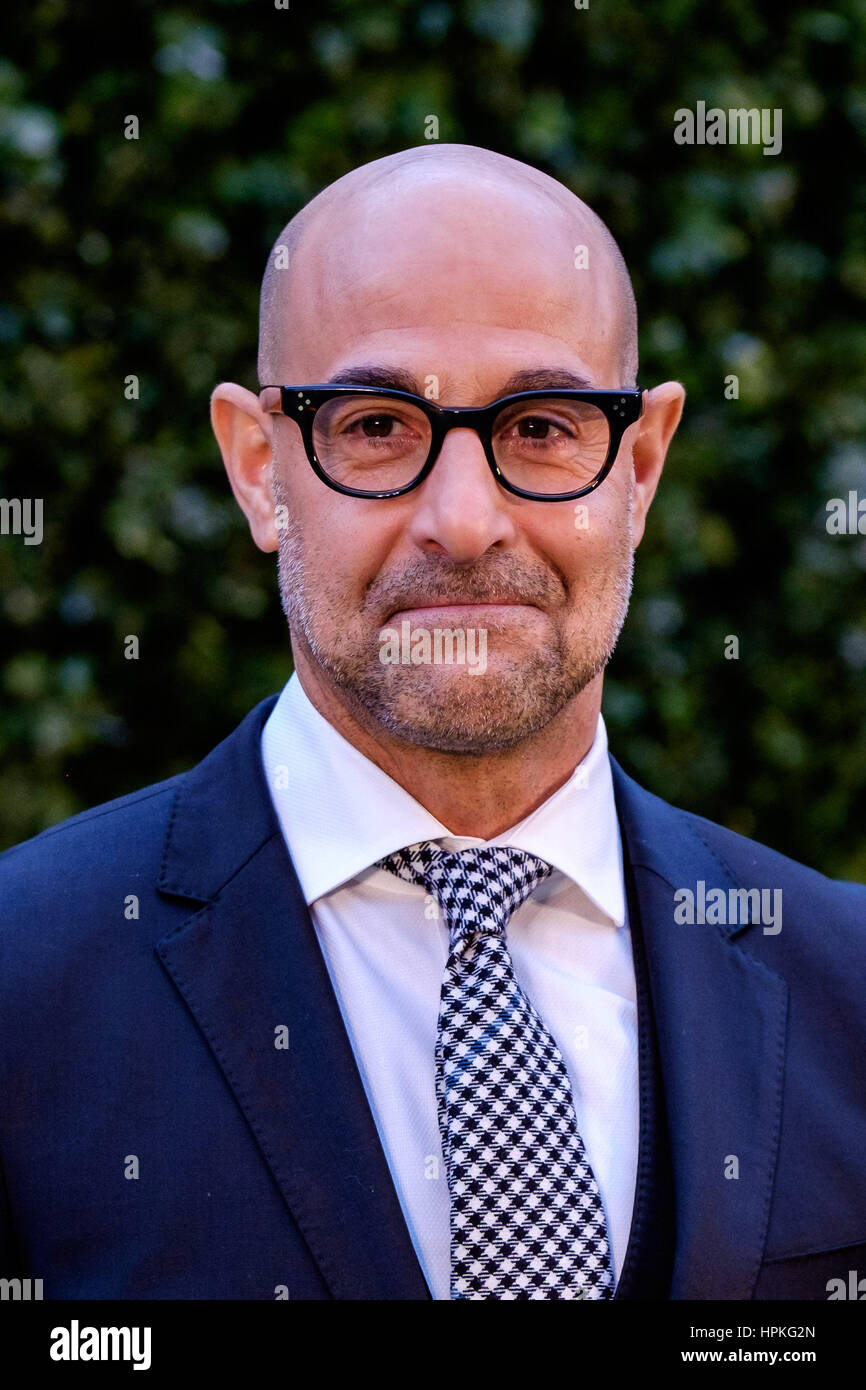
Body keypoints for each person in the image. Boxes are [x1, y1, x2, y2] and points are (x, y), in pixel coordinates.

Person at [1, 144, 864, 1301]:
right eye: (375, 426)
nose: (463, 521)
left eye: (542, 425)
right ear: (259, 469)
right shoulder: (23, 981)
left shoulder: (845, 986)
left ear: (641, 468)